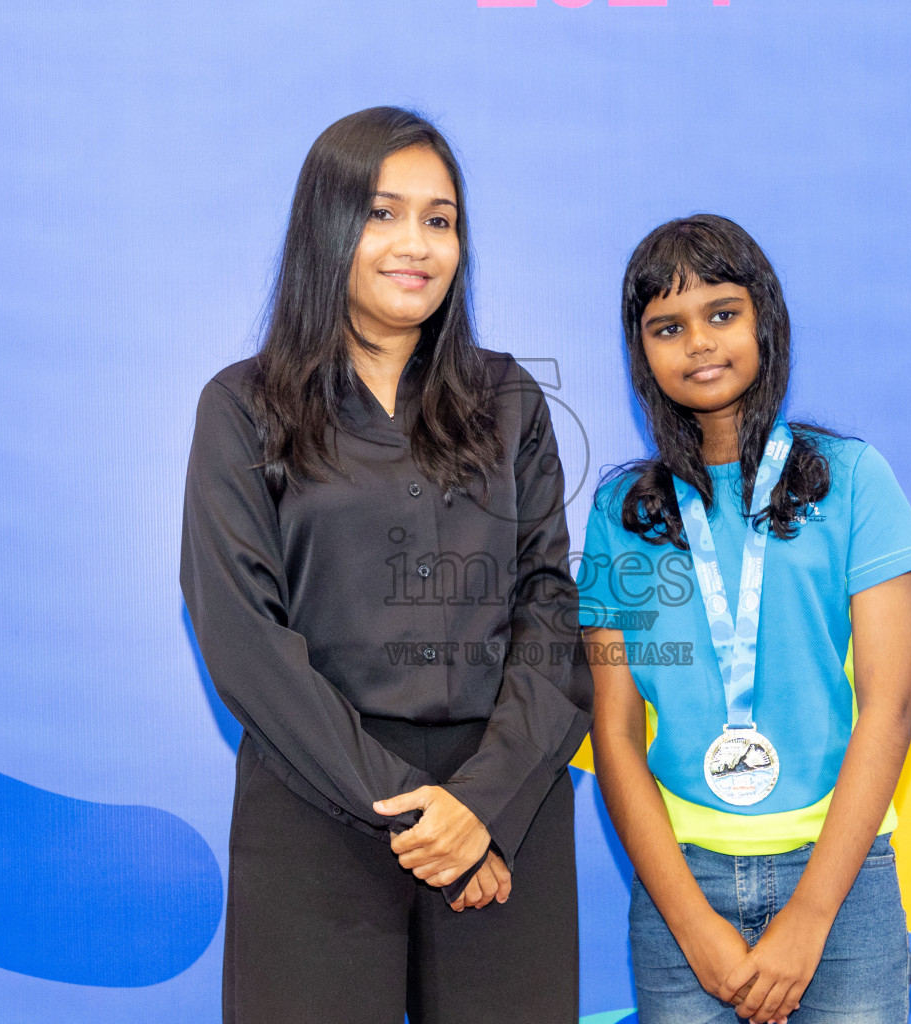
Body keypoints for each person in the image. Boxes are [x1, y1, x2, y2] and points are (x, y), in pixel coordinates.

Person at [180, 106, 591, 1024]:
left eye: (439, 220)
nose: (417, 244)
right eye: (382, 212)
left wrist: (479, 808)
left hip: (503, 810)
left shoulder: (510, 398)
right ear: (326, 228)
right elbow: (240, 633)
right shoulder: (243, 406)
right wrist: (418, 809)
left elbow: (550, 612)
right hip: (315, 801)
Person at [580, 215, 911, 1024]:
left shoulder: (852, 480)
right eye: (668, 327)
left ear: (765, 322)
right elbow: (615, 725)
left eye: (723, 313)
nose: (699, 342)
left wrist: (810, 918)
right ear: (642, 353)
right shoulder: (618, 513)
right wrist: (690, 923)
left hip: (841, 880)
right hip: (682, 886)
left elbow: (892, 703)